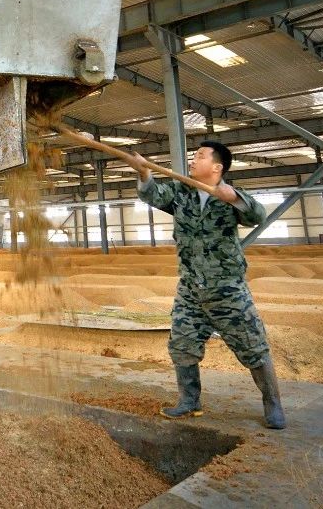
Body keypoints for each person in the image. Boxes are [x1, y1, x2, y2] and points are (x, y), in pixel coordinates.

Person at [123, 140, 286, 429]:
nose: (192, 160)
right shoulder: (180, 192)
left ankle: (272, 403)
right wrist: (144, 172)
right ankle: (189, 401)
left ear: (217, 167)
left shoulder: (228, 196)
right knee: (182, 344)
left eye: (199, 156)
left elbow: (258, 216)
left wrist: (234, 197)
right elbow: (153, 196)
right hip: (190, 288)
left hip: (227, 288)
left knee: (252, 346)